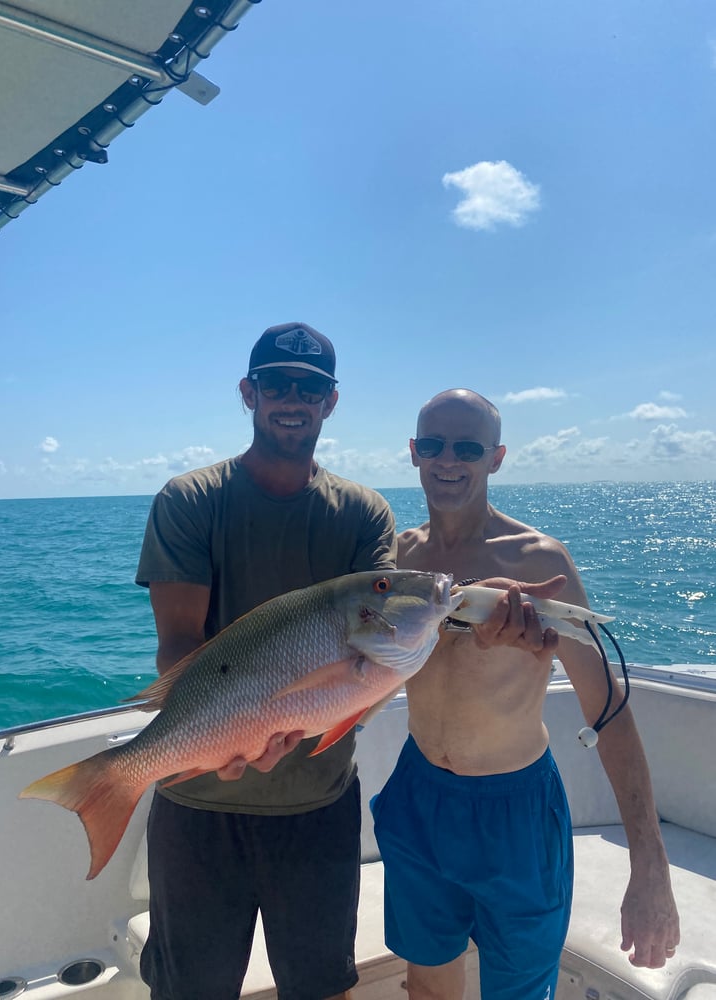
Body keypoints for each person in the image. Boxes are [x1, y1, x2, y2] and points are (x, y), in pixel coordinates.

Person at [134, 328, 560, 1000]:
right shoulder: (191, 500)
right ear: (249, 392)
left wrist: (485, 621)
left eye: (310, 387)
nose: (292, 399)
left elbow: (389, 642)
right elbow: (178, 644)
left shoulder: (362, 513)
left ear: (331, 402)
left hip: (317, 804)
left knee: (322, 986)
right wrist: (230, 735)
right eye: (276, 384)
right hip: (198, 800)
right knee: (190, 989)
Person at [371, 388, 680, 1000]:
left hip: (515, 810)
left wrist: (649, 865)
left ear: (497, 457)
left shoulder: (540, 561)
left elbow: (608, 712)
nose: (448, 460)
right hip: (419, 794)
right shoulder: (398, 560)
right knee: (428, 985)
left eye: (468, 447)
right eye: (432, 445)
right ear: (412, 453)